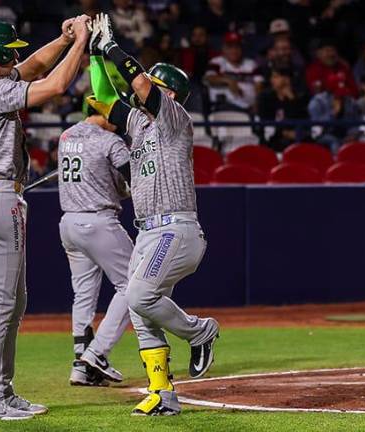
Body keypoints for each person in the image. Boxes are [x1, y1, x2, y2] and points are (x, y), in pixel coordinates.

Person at [0, 17, 90, 421]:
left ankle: (2, 391)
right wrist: (80, 42)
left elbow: (30, 68)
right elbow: (53, 86)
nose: (16, 54)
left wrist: (63, 39)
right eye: (10, 49)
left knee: (13, 303)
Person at [89, 13, 219, 416]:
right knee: (139, 308)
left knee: (142, 295)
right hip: (148, 231)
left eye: (156, 86)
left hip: (176, 229)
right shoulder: (140, 125)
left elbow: (141, 83)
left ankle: (200, 332)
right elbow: (101, 100)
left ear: (171, 94)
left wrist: (112, 47)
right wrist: (95, 55)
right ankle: (163, 395)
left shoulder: (175, 120)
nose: (142, 91)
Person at [60, 54, 134, 388]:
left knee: (83, 295)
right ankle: (97, 353)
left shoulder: (65, 136)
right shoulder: (111, 141)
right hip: (98, 222)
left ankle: (80, 364)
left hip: (69, 225)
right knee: (136, 285)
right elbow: (132, 183)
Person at [204, 32, 263, 111]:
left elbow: (259, 86)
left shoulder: (251, 64)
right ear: (224, 48)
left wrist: (257, 103)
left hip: (250, 108)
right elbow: (208, 78)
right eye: (230, 47)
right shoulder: (217, 62)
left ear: (242, 48)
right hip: (224, 108)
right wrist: (228, 81)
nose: (234, 50)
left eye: (237, 47)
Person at [257, 67, 308, 151]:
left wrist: (292, 99)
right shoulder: (266, 97)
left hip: (296, 136)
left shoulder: (300, 96)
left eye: (276, 77)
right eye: (272, 77)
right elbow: (265, 120)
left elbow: (302, 117)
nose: (272, 80)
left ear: (286, 79)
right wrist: (284, 133)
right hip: (273, 136)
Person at [308, 72, 360, 151]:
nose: (341, 97)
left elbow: (355, 121)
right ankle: (337, 163)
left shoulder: (349, 100)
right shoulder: (317, 102)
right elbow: (316, 126)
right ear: (329, 92)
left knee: (362, 140)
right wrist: (332, 114)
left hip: (345, 134)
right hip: (324, 134)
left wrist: (353, 134)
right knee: (334, 142)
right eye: (337, 93)